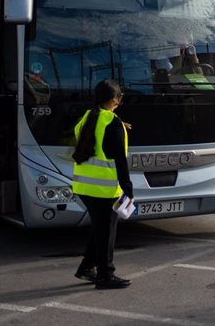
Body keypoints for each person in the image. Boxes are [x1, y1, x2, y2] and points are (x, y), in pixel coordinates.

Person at [72, 79, 134, 289]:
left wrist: (119, 125)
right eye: (120, 97)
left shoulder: (88, 117)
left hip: (83, 186)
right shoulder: (112, 123)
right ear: (114, 99)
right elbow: (120, 160)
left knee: (100, 228)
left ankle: (86, 267)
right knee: (107, 232)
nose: (120, 100)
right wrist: (128, 189)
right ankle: (105, 274)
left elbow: (93, 136)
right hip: (103, 189)